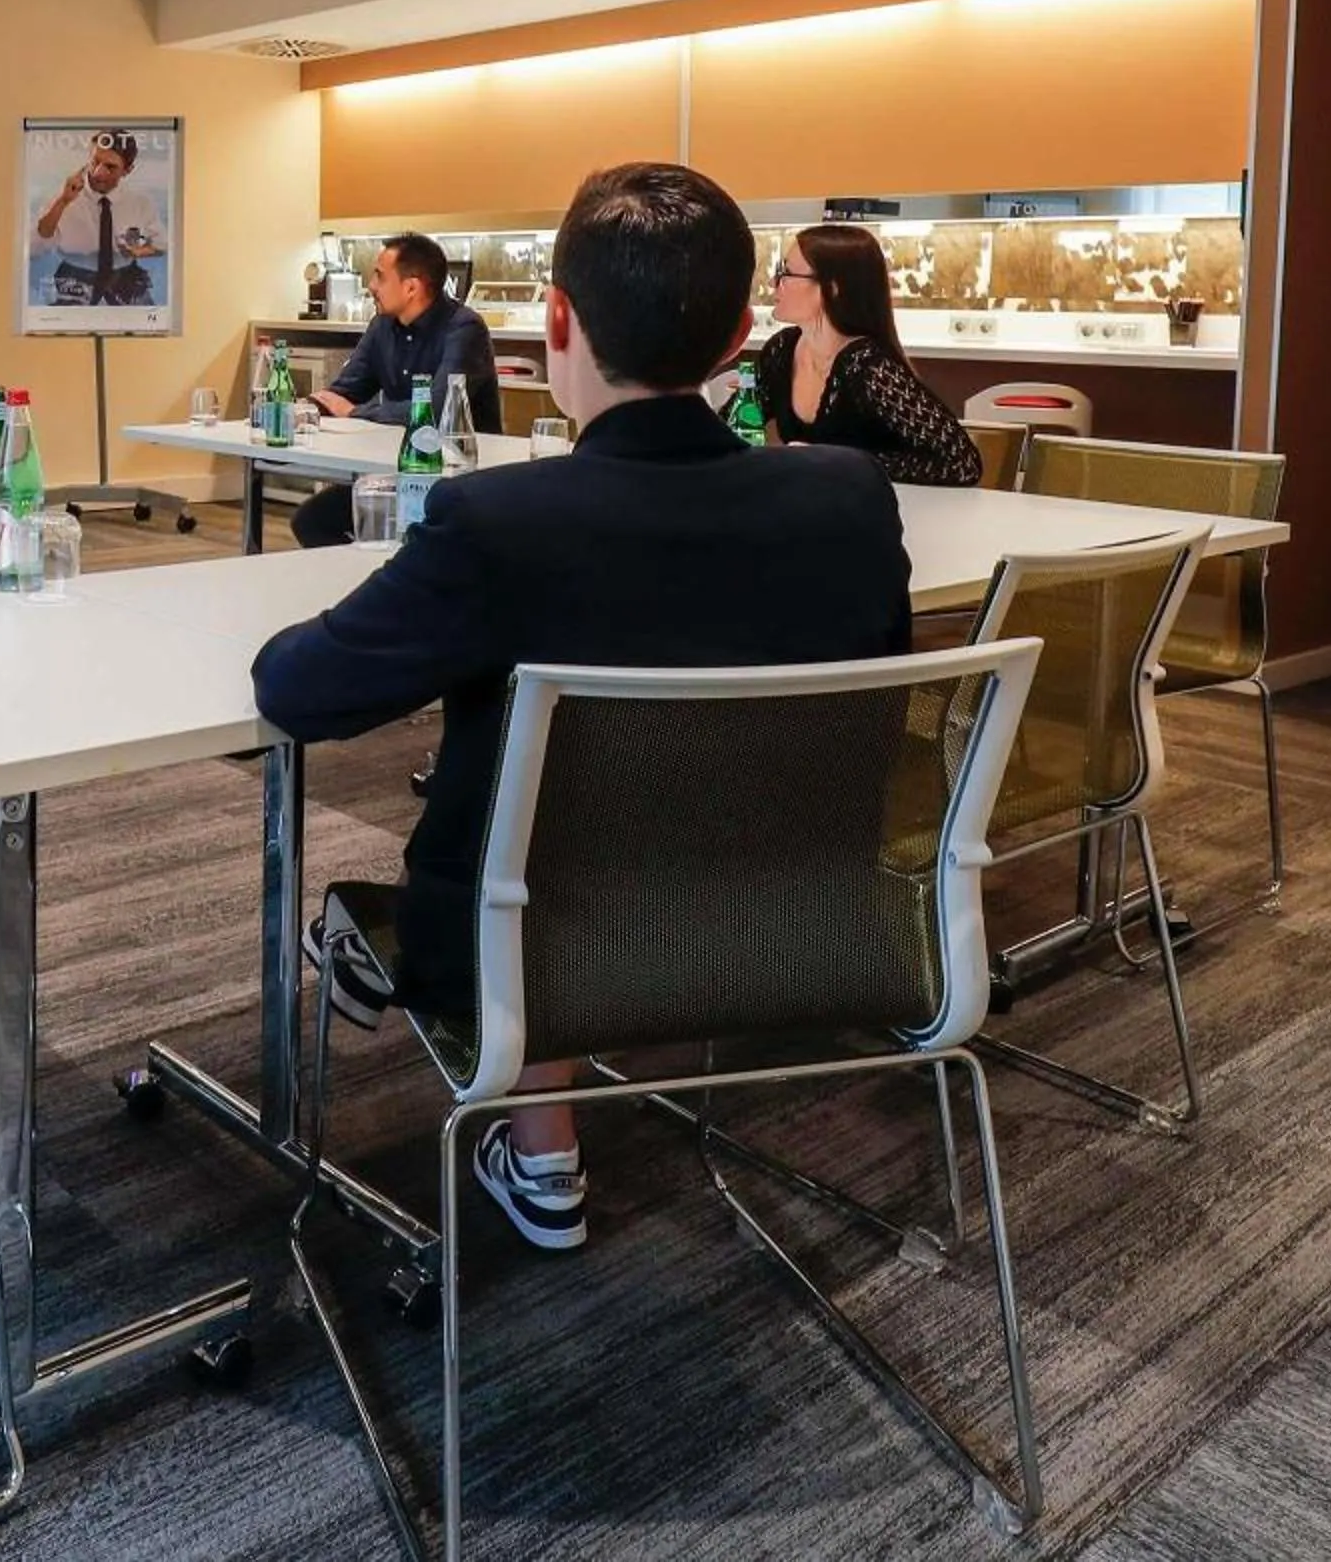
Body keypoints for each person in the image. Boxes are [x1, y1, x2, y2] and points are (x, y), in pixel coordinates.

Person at [253, 163, 911, 1252]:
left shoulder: (497, 522)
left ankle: (515, 1100)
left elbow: (299, 693)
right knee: (607, 825)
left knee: (509, 853)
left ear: (555, 317)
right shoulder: (847, 496)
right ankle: (529, 1118)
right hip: (799, 924)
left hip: (527, 942)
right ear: (740, 332)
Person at [291, 232, 501, 549]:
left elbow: (435, 412)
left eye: (379, 276)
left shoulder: (464, 328)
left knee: (413, 538)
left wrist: (356, 412)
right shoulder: (382, 326)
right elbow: (344, 391)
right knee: (312, 520)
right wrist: (302, 410)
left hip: (457, 480)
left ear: (411, 287)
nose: (371, 286)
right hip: (397, 473)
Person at [752, 224, 981, 488]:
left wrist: (837, 462)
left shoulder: (868, 367)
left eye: (786, 273)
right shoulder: (782, 349)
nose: (774, 283)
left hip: (881, 511)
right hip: (815, 506)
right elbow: (735, 423)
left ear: (832, 288)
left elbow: (962, 464)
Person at [33, 129, 166, 306]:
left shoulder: (140, 203)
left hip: (126, 279)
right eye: (94, 162)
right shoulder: (63, 195)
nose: (98, 173)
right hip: (74, 280)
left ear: (128, 170)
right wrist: (63, 201)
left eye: (110, 167)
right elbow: (39, 241)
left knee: (150, 324)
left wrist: (138, 251)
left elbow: (162, 245)